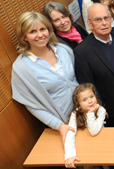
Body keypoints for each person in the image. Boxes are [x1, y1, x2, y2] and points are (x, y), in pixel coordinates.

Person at [12, 11, 78, 145]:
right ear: (24, 37)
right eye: (33, 31)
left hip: (86, 112)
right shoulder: (21, 68)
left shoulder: (64, 50)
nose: (40, 35)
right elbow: (33, 106)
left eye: (43, 29)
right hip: (64, 124)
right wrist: (59, 125)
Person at [74, 3, 114, 127]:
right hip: (111, 112)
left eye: (106, 18)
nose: (104, 23)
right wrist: (100, 109)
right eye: (98, 20)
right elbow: (87, 86)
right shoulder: (82, 51)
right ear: (90, 23)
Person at [64, 83, 106, 168]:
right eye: (84, 100)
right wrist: (69, 155)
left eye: (91, 97)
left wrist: (90, 113)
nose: (90, 101)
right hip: (85, 145)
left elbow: (94, 131)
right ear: (78, 105)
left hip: (100, 144)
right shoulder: (74, 115)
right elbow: (70, 134)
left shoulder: (101, 110)